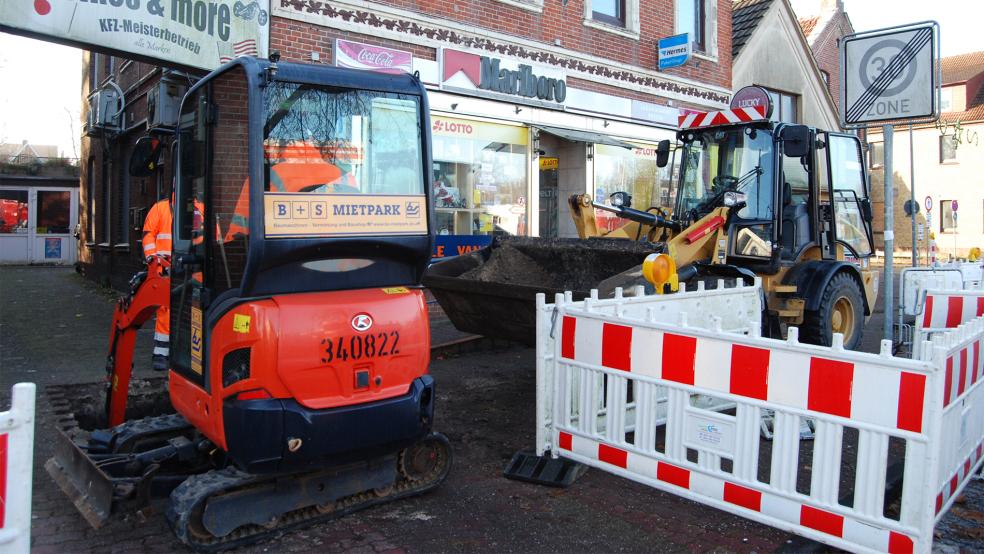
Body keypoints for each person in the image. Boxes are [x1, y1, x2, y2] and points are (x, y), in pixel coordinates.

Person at [142, 196, 173, 371]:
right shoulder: (161, 208)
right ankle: (161, 353)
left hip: (190, 268)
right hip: (164, 268)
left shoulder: (200, 207)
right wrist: (153, 261)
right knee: (165, 310)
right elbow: (148, 235)